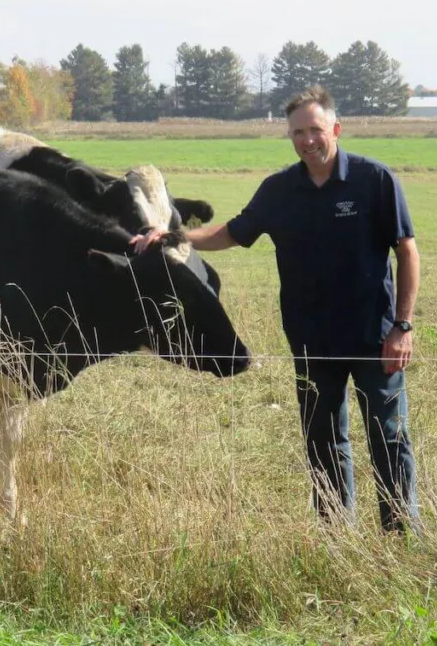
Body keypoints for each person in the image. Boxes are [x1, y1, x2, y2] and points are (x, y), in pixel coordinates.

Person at [131, 86, 420, 532]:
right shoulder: (279, 190)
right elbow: (233, 232)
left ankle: (402, 534)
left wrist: (402, 327)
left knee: (388, 436)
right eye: (297, 133)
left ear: (336, 129)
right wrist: (172, 238)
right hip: (310, 339)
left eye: (316, 130)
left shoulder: (374, 180)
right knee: (323, 440)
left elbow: (407, 252)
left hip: (374, 337)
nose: (307, 140)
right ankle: (335, 535)